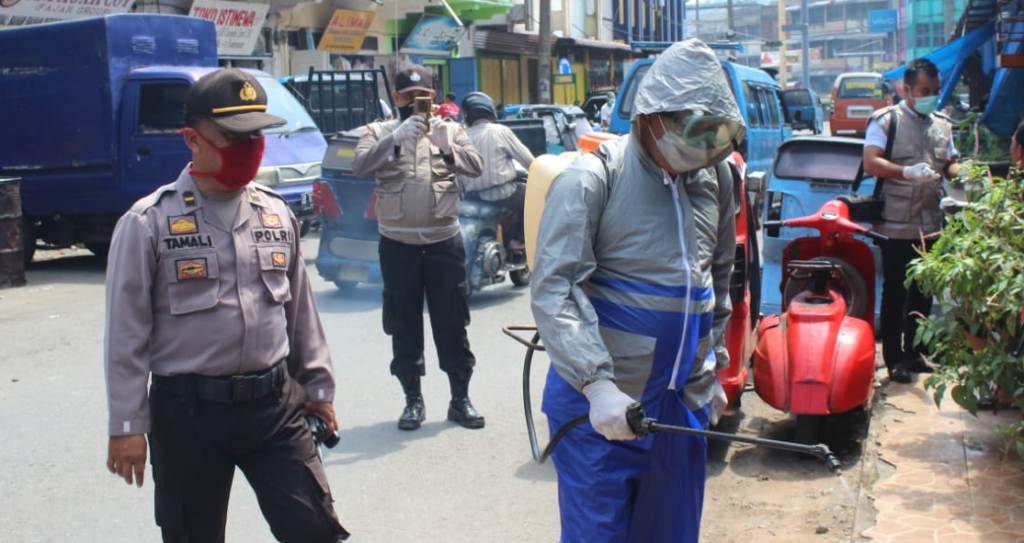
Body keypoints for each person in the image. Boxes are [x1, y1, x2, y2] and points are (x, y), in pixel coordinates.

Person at [104, 69, 348, 542]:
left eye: (256, 135)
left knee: (315, 530)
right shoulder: (148, 222)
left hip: (274, 406)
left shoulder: (276, 213)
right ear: (192, 140)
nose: (249, 147)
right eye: (234, 137)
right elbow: (125, 334)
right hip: (187, 414)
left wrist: (319, 390)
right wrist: (127, 425)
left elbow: (300, 315)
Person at [530, 40, 741, 543]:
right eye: (690, 129)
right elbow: (556, 288)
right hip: (602, 412)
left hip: (680, 408)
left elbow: (717, 280)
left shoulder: (715, 178)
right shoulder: (593, 178)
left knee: (672, 533)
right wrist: (596, 385)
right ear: (651, 117)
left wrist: (712, 366)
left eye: (711, 133)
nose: (699, 146)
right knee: (599, 534)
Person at [351, 66, 486, 431]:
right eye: (407, 97)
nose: (414, 104)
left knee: (452, 322)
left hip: (443, 243)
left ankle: (460, 399)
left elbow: (477, 167)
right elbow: (359, 166)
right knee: (403, 324)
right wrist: (394, 139)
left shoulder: (450, 129)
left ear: (433, 98)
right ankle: (413, 400)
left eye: (421, 97)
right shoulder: (378, 132)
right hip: (398, 245)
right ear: (395, 98)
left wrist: (447, 146)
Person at [863, 58, 959, 384]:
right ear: (907, 89)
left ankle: (915, 354)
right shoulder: (887, 121)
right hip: (895, 223)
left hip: (930, 223)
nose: (931, 96)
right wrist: (905, 172)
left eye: (935, 90)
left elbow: (950, 163)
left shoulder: (942, 124)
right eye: (924, 90)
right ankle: (894, 359)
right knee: (896, 292)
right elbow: (871, 162)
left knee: (923, 291)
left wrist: (962, 174)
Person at [458, 92, 535, 252]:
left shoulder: (460, 136)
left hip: (470, 198)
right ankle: (518, 240)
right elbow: (529, 161)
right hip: (502, 194)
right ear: (490, 111)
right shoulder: (500, 131)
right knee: (532, 196)